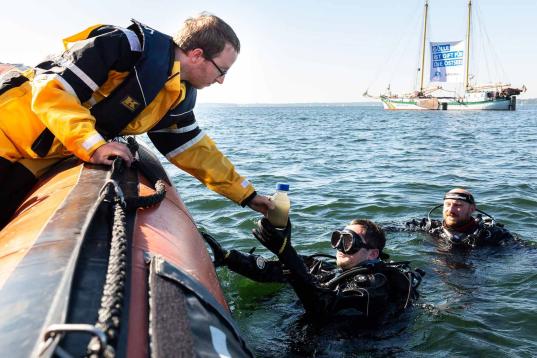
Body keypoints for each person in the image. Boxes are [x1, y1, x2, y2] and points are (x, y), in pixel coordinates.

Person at [0, 13, 272, 228]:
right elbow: (52, 93)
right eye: (221, 70)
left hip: (36, 161)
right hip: (7, 138)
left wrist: (247, 195)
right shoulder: (121, 47)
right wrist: (93, 145)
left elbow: (194, 151)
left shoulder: (175, 92)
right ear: (197, 54)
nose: (222, 80)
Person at [204, 218, 424, 321]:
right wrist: (229, 258)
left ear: (373, 254)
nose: (339, 248)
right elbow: (273, 270)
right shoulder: (327, 268)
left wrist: (286, 253)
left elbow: (324, 308)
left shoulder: (376, 285)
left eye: (349, 243)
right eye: (338, 239)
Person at [406, 188, 513, 247]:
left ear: (472, 209)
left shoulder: (492, 234)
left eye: (458, 205)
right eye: (447, 204)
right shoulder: (427, 227)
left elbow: (524, 252)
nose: (451, 210)